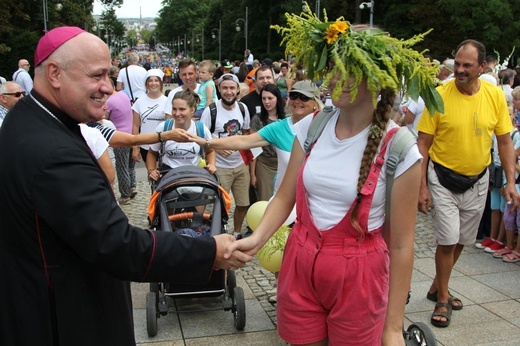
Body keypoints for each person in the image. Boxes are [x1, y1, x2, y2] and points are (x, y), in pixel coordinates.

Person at [0, 26, 249, 346]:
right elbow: (118, 244)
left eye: (110, 76)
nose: (108, 88)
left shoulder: (29, 122)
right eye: (98, 75)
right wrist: (212, 249)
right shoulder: (54, 152)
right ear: (55, 73)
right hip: (64, 317)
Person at [226, 12, 444, 343]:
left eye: (344, 70)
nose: (330, 79)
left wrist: (393, 327)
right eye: (331, 68)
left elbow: (401, 245)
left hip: (359, 273)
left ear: (374, 77)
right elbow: (284, 197)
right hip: (300, 262)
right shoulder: (313, 125)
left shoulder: (399, 147)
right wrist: (256, 241)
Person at [417, 39, 520, 328]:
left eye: (466, 65)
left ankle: (439, 284)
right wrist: (421, 186)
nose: (459, 70)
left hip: (478, 179)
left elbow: (503, 140)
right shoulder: (440, 94)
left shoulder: (495, 95)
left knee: (463, 241)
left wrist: (511, 181)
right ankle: (442, 298)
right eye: (457, 64)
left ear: (482, 67)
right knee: (448, 239)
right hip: (443, 177)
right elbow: (423, 143)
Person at [187, 80, 323, 195]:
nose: (298, 101)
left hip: (316, 196)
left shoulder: (325, 127)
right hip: (285, 196)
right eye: (294, 96)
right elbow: (243, 140)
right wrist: (206, 142)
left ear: (315, 102)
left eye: (304, 97)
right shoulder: (280, 127)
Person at [200, 73, 251, 238]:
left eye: (232, 88)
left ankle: (236, 233)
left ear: (237, 90)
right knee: (219, 205)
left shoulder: (243, 109)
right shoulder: (211, 110)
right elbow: (201, 137)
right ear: (219, 89)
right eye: (225, 88)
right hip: (220, 167)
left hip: (240, 165)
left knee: (243, 204)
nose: (228, 92)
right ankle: (219, 234)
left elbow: (246, 133)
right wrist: (218, 147)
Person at [146, 89, 216, 182]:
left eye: (182, 109)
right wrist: (151, 170)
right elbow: (152, 153)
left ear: (192, 110)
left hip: (194, 175)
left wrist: (211, 165)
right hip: (168, 176)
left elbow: (210, 151)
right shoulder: (164, 127)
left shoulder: (201, 129)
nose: (177, 113)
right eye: (174, 109)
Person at [131, 68, 169, 185]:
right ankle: (154, 198)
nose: (153, 83)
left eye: (156, 80)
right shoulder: (140, 102)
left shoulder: (167, 101)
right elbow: (135, 125)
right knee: (152, 175)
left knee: (164, 176)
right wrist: (135, 147)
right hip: (145, 146)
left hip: (162, 146)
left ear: (161, 83)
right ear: (146, 83)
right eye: (150, 81)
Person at [249, 84, 286, 201]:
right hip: (264, 163)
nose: (267, 102)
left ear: (277, 98)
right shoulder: (257, 119)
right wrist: (253, 174)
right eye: (264, 98)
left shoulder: (286, 118)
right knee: (265, 199)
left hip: (283, 162)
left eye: (270, 98)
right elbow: (253, 148)